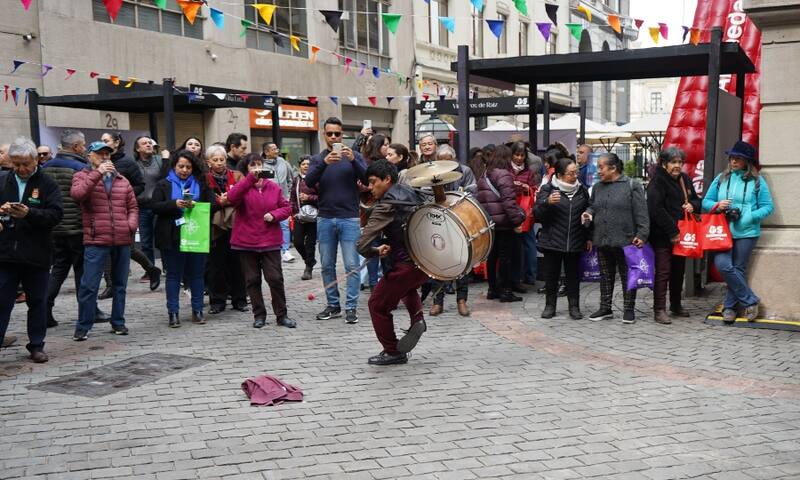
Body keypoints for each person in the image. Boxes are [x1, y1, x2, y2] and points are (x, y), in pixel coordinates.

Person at [357, 160, 429, 365]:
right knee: (407, 289)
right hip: (424, 263)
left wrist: (375, 250)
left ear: (387, 179)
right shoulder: (413, 193)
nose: (370, 188)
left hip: (403, 266)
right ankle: (418, 320)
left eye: (372, 182)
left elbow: (362, 245)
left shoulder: (386, 205)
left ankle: (393, 351)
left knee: (376, 305)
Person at [0, 137, 63, 362]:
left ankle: (36, 345)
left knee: (37, 301)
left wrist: (29, 214)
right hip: (5, 253)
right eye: (16, 164)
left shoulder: (47, 183)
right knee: (2, 301)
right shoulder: (2, 180)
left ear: (35, 160)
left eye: (25, 164)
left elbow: (56, 215)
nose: (21, 169)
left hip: (36, 253)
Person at [70, 141, 138, 340]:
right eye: (100, 154)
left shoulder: (122, 180)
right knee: (89, 285)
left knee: (120, 284)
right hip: (95, 239)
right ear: (89, 156)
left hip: (121, 239)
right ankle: (83, 326)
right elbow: (78, 195)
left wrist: (130, 226)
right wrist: (97, 173)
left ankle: (118, 322)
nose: (105, 157)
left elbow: (133, 207)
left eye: (107, 154)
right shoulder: (81, 176)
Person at [42, 130, 109, 328]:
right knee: (83, 271)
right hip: (78, 227)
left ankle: (44, 309)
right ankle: (89, 310)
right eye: (83, 144)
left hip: (55, 227)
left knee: (59, 269)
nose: (85, 148)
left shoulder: (45, 167)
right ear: (77, 147)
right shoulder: (80, 168)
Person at [702, 140, 774, 323]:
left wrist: (749, 216)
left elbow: (767, 207)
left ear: (747, 162)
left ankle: (729, 308)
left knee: (739, 269)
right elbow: (706, 202)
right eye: (732, 158)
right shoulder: (721, 179)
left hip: (747, 232)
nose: (733, 161)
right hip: (722, 231)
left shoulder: (757, 181)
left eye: (738, 159)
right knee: (723, 265)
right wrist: (718, 205)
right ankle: (750, 300)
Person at [305, 117, 368, 325]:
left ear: (343, 135)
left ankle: (351, 307)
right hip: (325, 218)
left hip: (349, 217)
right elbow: (309, 182)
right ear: (324, 135)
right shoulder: (318, 159)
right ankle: (333, 305)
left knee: (351, 265)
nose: (333, 137)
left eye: (337, 134)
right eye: (329, 134)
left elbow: (367, 179)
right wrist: (323, 163)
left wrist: (353, 160)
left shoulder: (354, 156)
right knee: (326, 266)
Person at [227, 153, 295, 329]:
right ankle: (259, 315)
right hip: (246, 241)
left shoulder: (273, 187)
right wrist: (249, 179)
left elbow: (287, 208)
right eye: (253, 165)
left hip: (269, 240)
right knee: (252, 280)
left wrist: (274, 215)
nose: (257, 168)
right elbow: (232, 198)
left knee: (275, 278)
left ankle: (282, 315)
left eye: (259, 164)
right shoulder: (242, 186)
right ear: (247, 169)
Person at [582, 153, 649, 324]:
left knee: (628, 275)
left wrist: (642, 234)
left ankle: (628, 309)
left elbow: (641, 212)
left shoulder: (631, 185)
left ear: (613, 168)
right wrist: (588, 214)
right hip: (602, 239)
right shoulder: (597, 187)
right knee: (605, 275)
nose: (598, 171)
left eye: (601, 167)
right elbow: (592, 206)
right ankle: (605, 308)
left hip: (626, 240)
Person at [150, 150, 213, 328]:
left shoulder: (201, 184)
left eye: (188, 167)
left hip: (196, 235)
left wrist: (197, 205)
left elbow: (213, 205)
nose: (184, 170)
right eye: (181, 166)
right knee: (173, 276)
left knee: (197, 275)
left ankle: (198, 309)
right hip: (172, 236)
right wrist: (174, 204)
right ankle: (173, 312)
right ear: (174, 166)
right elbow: (154, 206)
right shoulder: (164, 184)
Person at [646, 147, 701, 325]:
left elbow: (697, 200)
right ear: (664, 164)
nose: (677, 166)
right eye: (673, 162)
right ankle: (659, 309)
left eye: (679, 162)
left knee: (679, 271)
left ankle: (676, 305)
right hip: (662, 234)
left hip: (682, 233)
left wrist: (693, 205)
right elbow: (655, 209)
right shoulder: (657, 181)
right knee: (663, 271)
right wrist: (672, 231)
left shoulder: (684, 179)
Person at [534, 157, 591, 320]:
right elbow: (537, 214)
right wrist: (547, 202)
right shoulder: (548, 189)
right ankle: (550, 306)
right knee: (552, 276)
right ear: (559, 174)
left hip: (575, 239)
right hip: (553, 240)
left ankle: (574, 306)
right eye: (571, 173)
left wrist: (588, 233)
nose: (575, 176)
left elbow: (589, 211)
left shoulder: (582, 190)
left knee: (573, 276)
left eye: (576, 172)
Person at [104, 133, 161, 292]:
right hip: (105, 210)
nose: (103, 144)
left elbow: (140, 185)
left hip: (126, 208)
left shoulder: (127, 162)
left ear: (116, 143)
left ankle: (151, 269)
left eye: (106, 141)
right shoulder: (100, 161)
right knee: (107, 245)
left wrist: (123, 193)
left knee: (128, 246)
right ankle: (110, 284)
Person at [427, 141, 477, 317]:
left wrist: (457, 199)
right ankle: (437, 301)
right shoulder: (432, 172)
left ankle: (461, 300)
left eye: (449, 161)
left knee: (462, 259)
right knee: (438, 260)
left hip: (460, 220)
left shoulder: (465, 171)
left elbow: (473, 191)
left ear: (454, 159)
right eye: (442, 161)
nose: (446, 165)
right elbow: (424, 194)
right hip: (439, 221)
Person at [476, 145, 526, 303]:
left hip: (490, 223)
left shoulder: (485, 174)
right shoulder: (504, 174)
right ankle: (506, 291)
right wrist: (517, 221)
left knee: (492, 256)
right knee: (506, 258)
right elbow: (508, 202)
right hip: (504, 223)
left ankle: (492, 289)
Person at [205, 144, 248, 314]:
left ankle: (240, 299)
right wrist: (218, 202)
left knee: (237, 264)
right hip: (214, 227)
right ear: (208, 162)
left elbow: (244, 193)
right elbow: (204, 197)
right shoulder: (204, 178)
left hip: (237, 225)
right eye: (215, 160)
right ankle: (217, 301)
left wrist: (226, 199)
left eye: (222, 159)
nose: (219, 163)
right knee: (216, 266)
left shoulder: (237, 175)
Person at [259, 142, 295, 263]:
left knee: (285, 225)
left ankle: (285, 251)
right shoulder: (261, 165)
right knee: (271, 224)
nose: (277, 151)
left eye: (277, 148)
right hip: (268, 201)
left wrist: (288, 194)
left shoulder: (283, 162)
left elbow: (291, 178)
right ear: (266, 152)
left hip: (283, 199)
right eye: (273, 149)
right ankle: (271, 248)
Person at [509, 141, 538, 291]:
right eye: (517, 154)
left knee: (529, 243)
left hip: (526, 211)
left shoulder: (529, 172)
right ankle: (516, 276)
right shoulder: (506, 170)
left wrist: (528, 187)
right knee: (514, 245)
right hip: (511, 211)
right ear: (511, 155)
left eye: (522, 155)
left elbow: (534, 189)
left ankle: (530, 276)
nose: (519, 158)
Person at [290, 155, 318, 280]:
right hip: (299, 216)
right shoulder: (296, 180)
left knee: (310, 244)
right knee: (297, 242)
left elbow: (322, 198)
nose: (306, 166)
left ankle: (308, 269)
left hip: (313, 217)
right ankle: (309, 260)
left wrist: (309, 198)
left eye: (308, 164)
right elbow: (292, 198)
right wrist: (293, 211)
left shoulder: (317, 180)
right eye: (303, 164)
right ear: (300, 166)